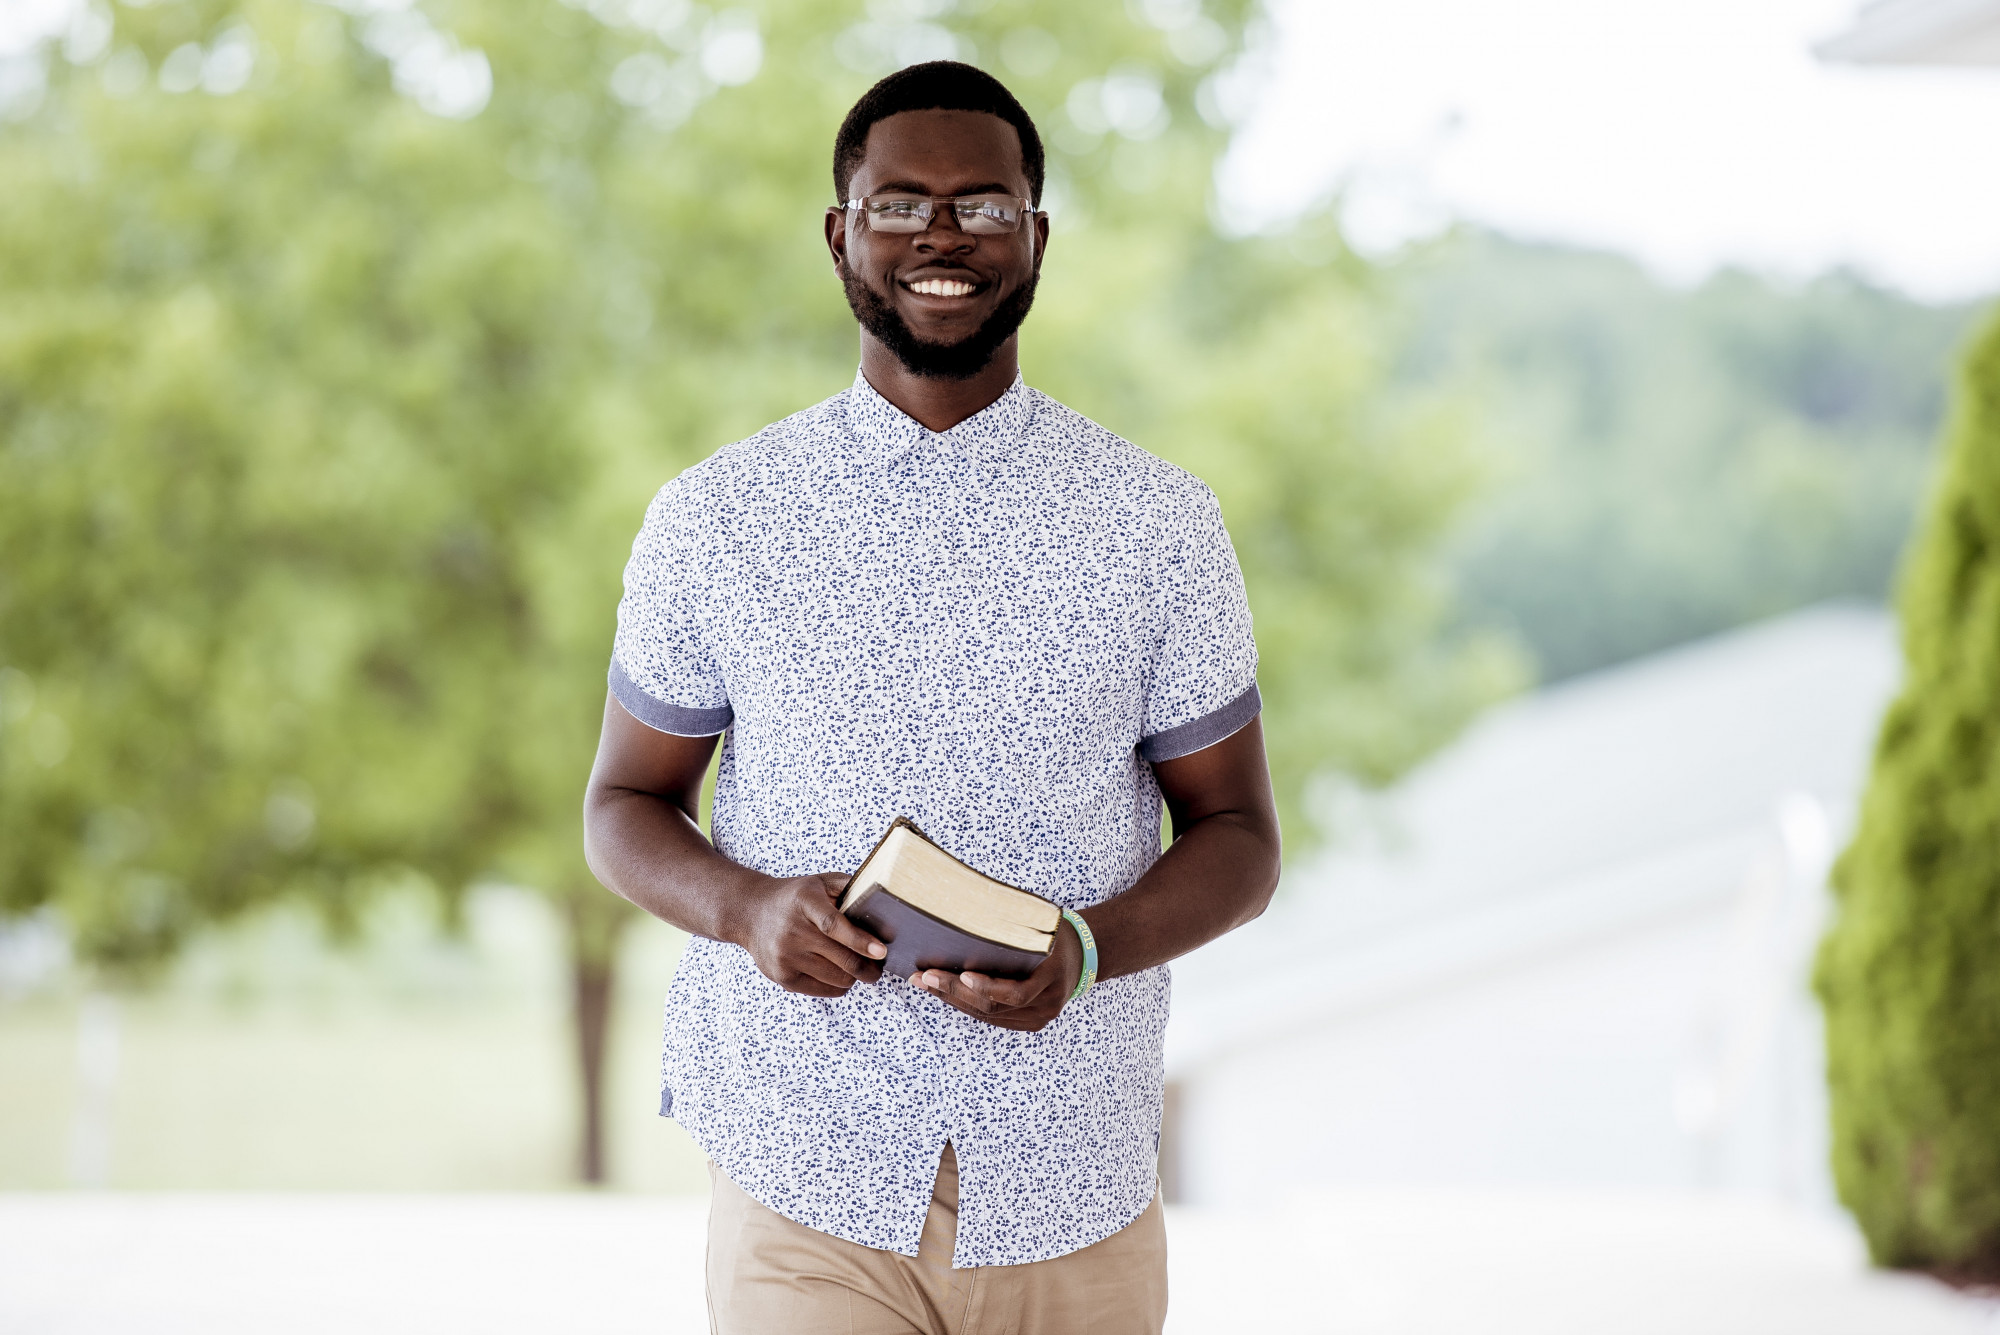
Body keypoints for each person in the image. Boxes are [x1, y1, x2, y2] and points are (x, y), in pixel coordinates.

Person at [582, 60, 1281, 1335]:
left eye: (984, 205)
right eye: (899, 204)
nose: (942, 236)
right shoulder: (713, 522)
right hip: (805, 1176)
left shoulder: (1158, 525)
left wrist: (1083, 950)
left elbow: (1238, 842)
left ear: (1036, 236)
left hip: (1071, 1180)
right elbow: (623, 804)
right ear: (842, 235)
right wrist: (742, 908)